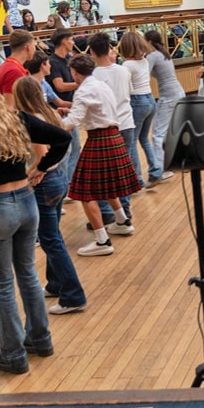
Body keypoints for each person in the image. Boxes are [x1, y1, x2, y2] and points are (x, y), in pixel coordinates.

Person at [0, 72, 70, 373]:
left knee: (3, 285)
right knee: (29, 275)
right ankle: (41, 340)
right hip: (26, 201)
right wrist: (42, 167)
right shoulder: (15, 118)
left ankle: (13, 355)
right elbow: (63, 137)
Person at [12, 77, 86, 315]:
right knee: (52, 234)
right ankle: (55, 283)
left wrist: (29, 174)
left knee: (49, 238)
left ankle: (73, 295)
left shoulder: (33, 120)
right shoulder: (50, 113)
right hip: (59, 180)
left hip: (45, 182)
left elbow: (41, 153)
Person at [61, 53, 140, 257]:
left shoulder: (82, 90)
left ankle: (102, 240)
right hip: (114, 135)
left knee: (85, 191)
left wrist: (51, 124)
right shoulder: (101, 85)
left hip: (98, 138)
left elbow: (74, 121)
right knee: (108, 184)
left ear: (74, 72)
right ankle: (122, 221)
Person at [142, 29, 182, 187]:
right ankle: (174, 162)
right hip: (178, 92)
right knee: (169, 130)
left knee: (158, 133)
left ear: (149, 42)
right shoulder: (164, 54)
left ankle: (162, 169)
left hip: (169, 96)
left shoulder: (152, 56)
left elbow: (143, 74)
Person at [118, 31, 155, 190]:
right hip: (150, 99)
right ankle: (155, 169)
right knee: (145, 138)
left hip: (137, 101)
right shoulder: (144, 61)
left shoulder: (127, 65)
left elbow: (126, 87)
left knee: (132, 141)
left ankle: (137, 178)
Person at [46, 30, 81, 181]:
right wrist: (80, 83)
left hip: (69, 109)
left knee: (75, 148)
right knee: (67, 150)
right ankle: (65, 184)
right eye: (71, 39)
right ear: (64, 41)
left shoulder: (68, 59)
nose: (73, 42)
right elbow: (59, 86)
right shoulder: (53, 62)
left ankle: (71, 183)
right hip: (59, 112)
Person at [0, 28, 35, 105]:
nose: (34, 49)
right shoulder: (14, 71)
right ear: (28, 47)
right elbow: (11, 106)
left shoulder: (10, 65)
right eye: (34, 46)